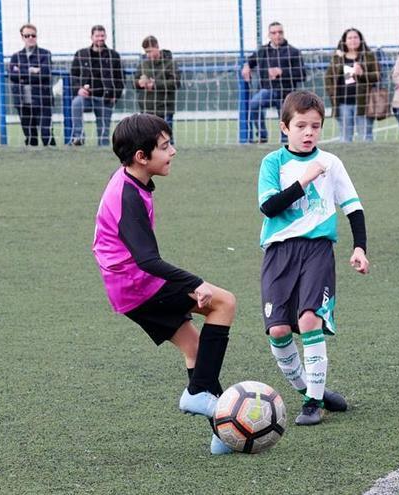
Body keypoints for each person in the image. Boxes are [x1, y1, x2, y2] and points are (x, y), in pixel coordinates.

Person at [92, 113, 237, 455]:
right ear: (141, 157)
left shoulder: (131, 180)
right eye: (164, 146)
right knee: (224, 302)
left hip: (126, 287)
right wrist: (197, 282)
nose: (172, 151)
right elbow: (147, 260)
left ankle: (222, 434)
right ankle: (198, 395)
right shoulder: (126, 196)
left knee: (194, 348)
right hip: (137, 283)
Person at [257, 90, 369, 426]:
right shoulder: (273, 163)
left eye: (315, 126)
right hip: (278, 251)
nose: (309, 133)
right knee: (278, 329)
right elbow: (268, 207)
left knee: (309, 320)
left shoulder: (331, 163)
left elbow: (353, 207)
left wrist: (360, 247)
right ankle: (309, 388)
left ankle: (312, 403)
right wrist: (304, 180)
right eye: (301, 125)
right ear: (284, 128)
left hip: (317, 249)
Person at [241, 22, 305, 144]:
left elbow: (302, 74)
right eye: (274, 33)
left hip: (287, 93)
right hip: (267, 91)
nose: (277, 35)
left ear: (283, 33)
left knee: (285, 117)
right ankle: (262, 135)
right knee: (254, 103)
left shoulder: (293, 52)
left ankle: (286, 141)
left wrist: (282, 71)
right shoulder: (263, 51)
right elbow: (251, 60)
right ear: (269, 35)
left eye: (280, 32)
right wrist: (247, 65)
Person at [69, 25, 123, 146]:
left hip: (105, 98)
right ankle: (78, 137)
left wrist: (116, 95)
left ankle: (103, 147)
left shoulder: (113, 55)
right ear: (91, 37)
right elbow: (73, 75)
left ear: (106, 37)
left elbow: (120, 78)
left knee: (104, 133)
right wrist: (78, 89)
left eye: (102, 35)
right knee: (76, 103)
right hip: (86, 96)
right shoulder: (81, 54)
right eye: (97, 36)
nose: (100, 38)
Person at [324, 28, 380, 142]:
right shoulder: (338, 57)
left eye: (355, 37)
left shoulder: (368, 56)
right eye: (349, 38)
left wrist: (362, 73)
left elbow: (377, 76)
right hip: (343, 104)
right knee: (345, 138)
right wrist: (333, 94)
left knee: (366, 137)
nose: (353, 40)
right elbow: (328, 78)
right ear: (344, 40)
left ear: (360, 40)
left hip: (364, 104)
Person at [8, 23, 55, 146]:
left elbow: (44, 74)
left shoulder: (45, 54)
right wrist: (31, 70)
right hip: (23, 102)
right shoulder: (16, 56)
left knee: (46, 134)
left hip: (43, 101)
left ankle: (52, 156)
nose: (30, 38)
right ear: (22, 37)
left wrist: (22, 72)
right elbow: (12, 76)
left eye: (33, 35)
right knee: (30, 136)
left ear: (36, 36)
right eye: (27, 35)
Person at [133, 36, 180, 138]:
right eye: (146, 52)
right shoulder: (143, 64)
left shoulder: (170, 63)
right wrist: (139, 83)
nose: (147, 54)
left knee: (165, 140)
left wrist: (155, 84)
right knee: (148, 141)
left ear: (157, 47)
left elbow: (176, 83)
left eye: (150, 51)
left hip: (165, 109)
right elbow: (134, 82)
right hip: (146, 109)